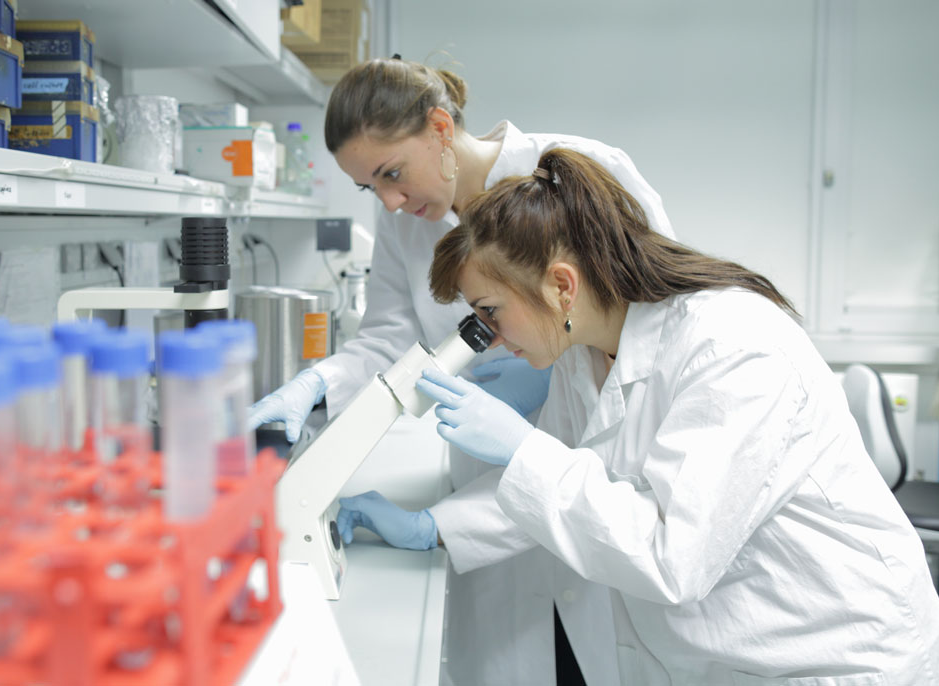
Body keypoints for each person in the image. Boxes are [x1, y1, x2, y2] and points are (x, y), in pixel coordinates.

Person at [355, 146, 939, 684]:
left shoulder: (734, 349)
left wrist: (521, 448)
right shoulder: (584, 352)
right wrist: (437, 526)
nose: (486, 336)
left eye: (490, 311)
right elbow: (561, 486)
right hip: (727, 655)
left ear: (561, 286)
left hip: (833, 658)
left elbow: (671, 554)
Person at [248, 57, 674, 685]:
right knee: (513, 659)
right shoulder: (402, 219)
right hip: (489, 479)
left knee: (595, 652)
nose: (390, 201)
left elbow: (652, 327)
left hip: (600, 461)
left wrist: (557, 373)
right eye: (371, 187)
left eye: (394, 173)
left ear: (441, 127)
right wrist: (316, 385)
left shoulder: (580, 173)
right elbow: (390, 341)